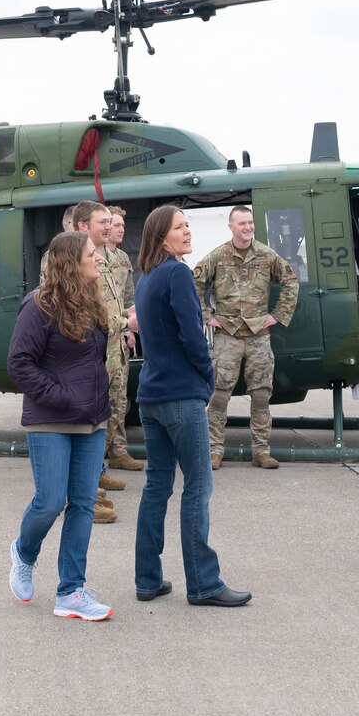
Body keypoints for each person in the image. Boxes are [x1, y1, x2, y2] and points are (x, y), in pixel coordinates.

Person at [133, 204, 250, 607]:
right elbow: (191, 335)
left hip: (150, 395)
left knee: (157, 487)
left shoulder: (146, 278)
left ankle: (147, 579)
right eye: (179, 227)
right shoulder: (178, 273)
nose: (187, 231)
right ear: (161, 236)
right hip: (181, 395)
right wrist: (207, 378)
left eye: (186, 225)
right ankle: (204, 584)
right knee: (197, 487)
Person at [5, 231, 114, 621]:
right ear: (72, 262)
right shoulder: (38, 306)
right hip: (51, 419)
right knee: (50, 501)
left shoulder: (93, 302)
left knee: (83, 504)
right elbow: (19, 364)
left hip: (92, 421)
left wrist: (98, 404)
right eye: (91, 254)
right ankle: (24, 552)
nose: (98, 259)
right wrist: (62, 397)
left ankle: (71, 592)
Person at [194, 205, 301, 469]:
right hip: (227, 335)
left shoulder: (266, 255)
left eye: (250, 223)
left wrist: (277, 315)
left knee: (262, 394)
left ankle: (261, 451)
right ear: (231, 227)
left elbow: (291, 280)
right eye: (242, 224)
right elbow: (194, 283)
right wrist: (207, 316)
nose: (248, 228)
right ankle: (214, 451)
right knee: (219, 395)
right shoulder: (218, 256)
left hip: (258, 334)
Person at [66, 202, 129, 519]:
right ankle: (81, 499)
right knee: (82, 424)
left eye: (110, 221)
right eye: (102, 222)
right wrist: (122, 325)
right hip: (83, 353)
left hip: (106, 348)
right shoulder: (67, 257)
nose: (109, 226)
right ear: (81, 227)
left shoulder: (101, 256)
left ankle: (91, 483)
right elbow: (77, 312)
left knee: (103, 414)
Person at [95, 205, 144, 472]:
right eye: (115, 224)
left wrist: (129, 330)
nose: (119, 229)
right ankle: (96, 464)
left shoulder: (123, 258)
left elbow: (126, 298)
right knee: (105, 401)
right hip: (101, 336)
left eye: (122, 225)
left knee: (120, 398)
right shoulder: (94, 256)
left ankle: (119, 451)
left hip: (120, 333)